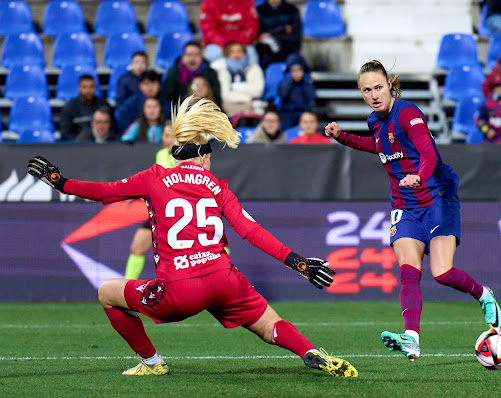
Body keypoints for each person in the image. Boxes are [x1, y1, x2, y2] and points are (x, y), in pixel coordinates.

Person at [27, 96, 357, 377]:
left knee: (107, 292)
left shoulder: (154, 177)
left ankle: (152, 362)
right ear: (202, 156)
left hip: (180, 287)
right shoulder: (219, 187)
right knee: (269, 323)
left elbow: (104, 192)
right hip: (223, 279)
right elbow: (250, 232)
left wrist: (60, 181)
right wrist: (299, 263)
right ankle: (311, 351)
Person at [324, 60, 501, 362]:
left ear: (390, 86)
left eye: (379, 87)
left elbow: (428, 150)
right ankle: (412, 339)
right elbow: (378, 147)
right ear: (361, 92)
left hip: (436, 195)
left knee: (442, 273)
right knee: (409, 272)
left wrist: (420, 175)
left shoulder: (407, 112)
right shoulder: (374, 121)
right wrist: (343, 137)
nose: (374, 94)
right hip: (404, 203)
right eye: (367, 90)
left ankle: (484, 295)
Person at [125, 122, 175, 281]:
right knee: (137, 247)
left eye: (172, 136)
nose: (168, 140)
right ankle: (125, 292)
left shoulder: (184, 157)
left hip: (178, 212)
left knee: (207, 249)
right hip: (159, 211)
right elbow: (154, 179)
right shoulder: (161, 154)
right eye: (166, 135)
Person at [211, 42, 265, 115]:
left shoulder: (255, 68)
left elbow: (258, 92)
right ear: (227, 55)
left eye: (239, 51)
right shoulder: (223, 71)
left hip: (255, 108)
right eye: (232, 52)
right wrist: (249, 99)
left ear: (245, 53)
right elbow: (226, 96)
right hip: (232, 107)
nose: (236, 54)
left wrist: (234, 87)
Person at [199, 0, 259, 65]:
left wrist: (236, 46)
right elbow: (208, 29)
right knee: (212, 54)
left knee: (251, 54)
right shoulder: (209, 2)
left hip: (242, 44)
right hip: (218, 44)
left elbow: (252, 27)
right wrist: (226, 45)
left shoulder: (247, 2)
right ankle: (217, 75)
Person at [162, 42, 222, 106]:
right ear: (183, 57)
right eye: (189, 55)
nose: (192, 59)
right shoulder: (174, 73)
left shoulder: (210, 73)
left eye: (196, 55)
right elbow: (168, 95)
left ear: (201, 57)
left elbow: (216, 95)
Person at [59, 74, 110, 140]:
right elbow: (64, 133)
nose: (88, 90)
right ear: (79, 88)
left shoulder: (103, 104)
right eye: (85, 87)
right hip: (77, 146)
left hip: (102, 144)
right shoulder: (69, 107)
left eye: (91, 87)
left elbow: (113, 128)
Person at [256, 0, 302, 69]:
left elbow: (295, 36)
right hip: (266, 51)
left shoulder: (291, 10)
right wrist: (283, 29)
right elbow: (260, 34)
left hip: (288, 48)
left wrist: (272, 34)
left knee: (294, 60)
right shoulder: (259, 11)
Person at [278, 54, 316, 129]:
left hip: (303, 114)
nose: (297, 73)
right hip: (287, 114)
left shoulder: (307, 84)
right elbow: (282, 94)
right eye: (294, 70)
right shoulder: (285, 83)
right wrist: (290, 82)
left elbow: (312, 97)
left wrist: (305, 83)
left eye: (299, 70)